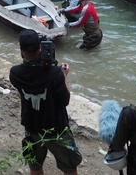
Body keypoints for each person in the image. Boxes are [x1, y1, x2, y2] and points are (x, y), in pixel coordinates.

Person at [9, 29, 83, 175]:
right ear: (41, 48)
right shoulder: (55, 73)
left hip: (32, 126)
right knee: (69, 167)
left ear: (21, 50)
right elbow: (65, 100)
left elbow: (30, 74)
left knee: (35, 166)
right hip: (57, 129)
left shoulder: (15, 73)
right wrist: (64, 76)